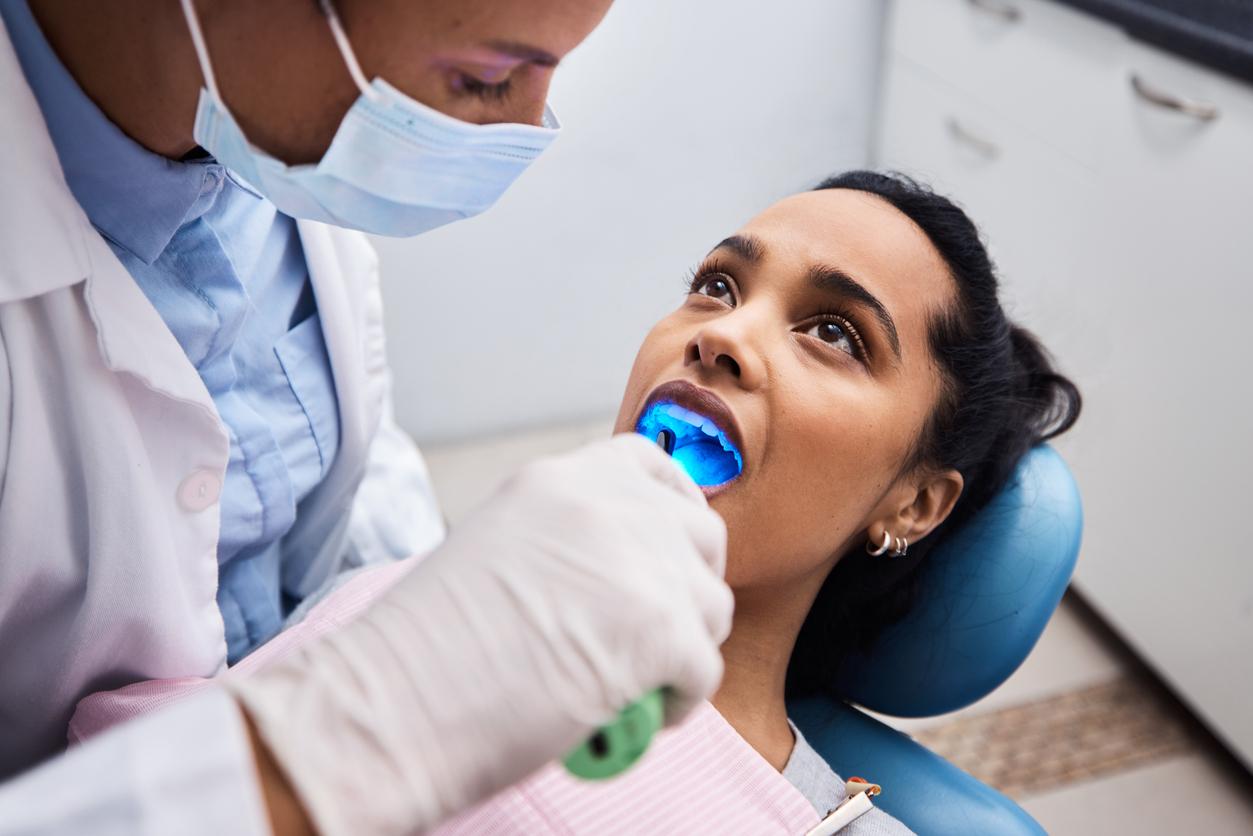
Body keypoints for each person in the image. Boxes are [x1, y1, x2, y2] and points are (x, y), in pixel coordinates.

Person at [62, 171, 1082, 834]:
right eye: (716, 286)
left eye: (833, 333)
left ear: (912, 501)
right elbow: (143, 761)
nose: (721, 335)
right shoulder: (418, 604)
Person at [0, 0, 734, 833]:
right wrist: (357, 728)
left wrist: (447, 611)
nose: (525, 126)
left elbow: (331, 495)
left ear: (916, 502)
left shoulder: (267, 151)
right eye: (486, 76)